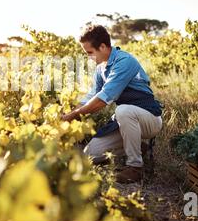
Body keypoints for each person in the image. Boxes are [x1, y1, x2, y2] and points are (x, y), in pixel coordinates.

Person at [61, 25, 163, 183]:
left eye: (90, 52)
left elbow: (104, 98)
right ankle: (138, 147)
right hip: (126, 122)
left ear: (102, 46)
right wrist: (69, 112)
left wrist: (75, 115)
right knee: (89, 155)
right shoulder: (101, 68)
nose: (89, 57)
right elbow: (91, 95)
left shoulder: (124, 61)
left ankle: (135, 167)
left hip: (149, 119)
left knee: (123, 111)